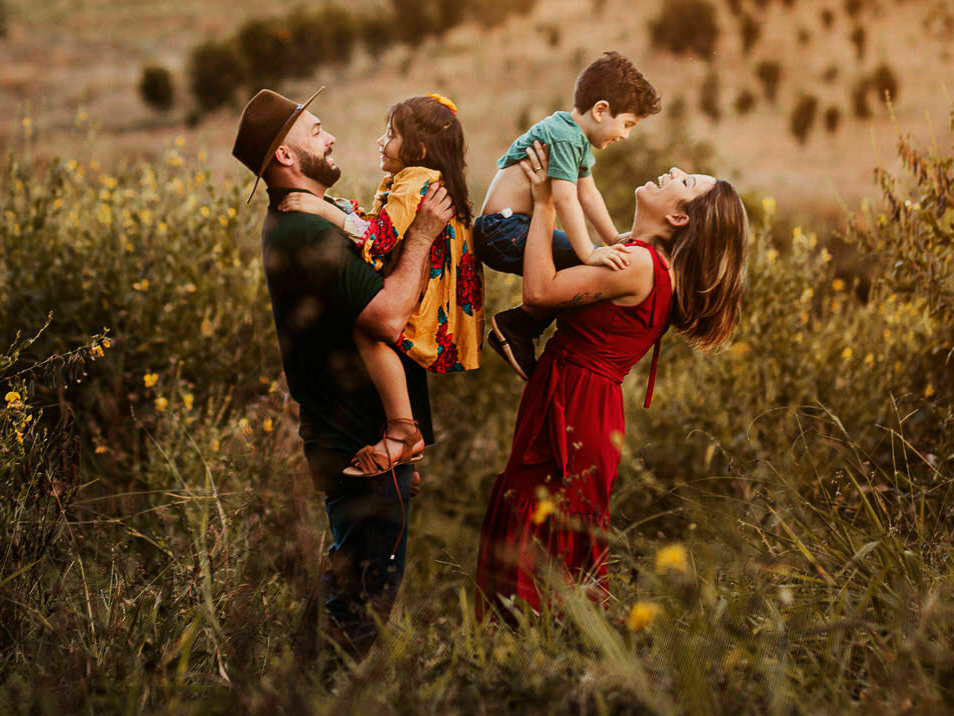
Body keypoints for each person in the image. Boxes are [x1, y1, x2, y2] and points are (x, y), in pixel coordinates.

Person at [475, 138, 749, 621]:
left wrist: (542, 205)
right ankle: (534, 669)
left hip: (575, 409)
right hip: (580, 401)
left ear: (680, 218)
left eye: (685, 182)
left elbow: (540, 293)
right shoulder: (640, 257)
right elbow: (587, 203)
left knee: (538, 545)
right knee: (546, 540)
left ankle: (525, 670)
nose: (674, 168)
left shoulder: (640, 265)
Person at [232, 86, 454, 654]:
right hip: (364, 448)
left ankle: (295, 704)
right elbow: (386, 317)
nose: (329, 137)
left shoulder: (306, 221)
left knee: (344, 589)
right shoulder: (306, 231)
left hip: (361, 445)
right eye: (314, 130)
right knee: (360, 618)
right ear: (285, 156)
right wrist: (425, 236)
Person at [276, 93, 484, 476]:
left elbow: (381, 237)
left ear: (418, 148)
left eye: (390, 134)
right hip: (427, 287)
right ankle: (406, 440)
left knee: (369, 332)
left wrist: (325, 209)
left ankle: (403, 432)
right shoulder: (411, 179)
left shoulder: (414, 182)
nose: (380, 142)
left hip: (424, 296)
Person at [476, 51, 663, 380]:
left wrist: (613, 239)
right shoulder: (564, 137)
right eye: (627, 124)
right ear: (601, 110)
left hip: (509, 228)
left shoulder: (571, 136)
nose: (626, 135)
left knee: (586, 263)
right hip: (502, 230)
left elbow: (588, 193)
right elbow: (564, 199)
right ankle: (516, 325)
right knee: (580, 265)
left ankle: (520, 324)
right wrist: (590, 252)